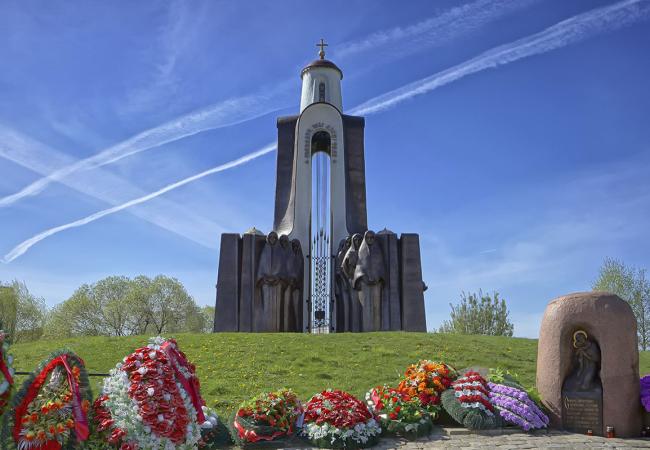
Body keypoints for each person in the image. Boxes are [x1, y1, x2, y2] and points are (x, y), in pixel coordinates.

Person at [353, 231, 385, 332]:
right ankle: (366, 329)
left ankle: (377, 329)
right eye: (368, 238)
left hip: (376, 283)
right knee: (366, 307)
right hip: (364, 283)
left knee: (376, 307)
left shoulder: (378, 251)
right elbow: (359, 267)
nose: (370, 239)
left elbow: (381, 266)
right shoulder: (361, 252)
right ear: (365, 239)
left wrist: (378, 277)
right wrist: (363, 277)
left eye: (372, 238)